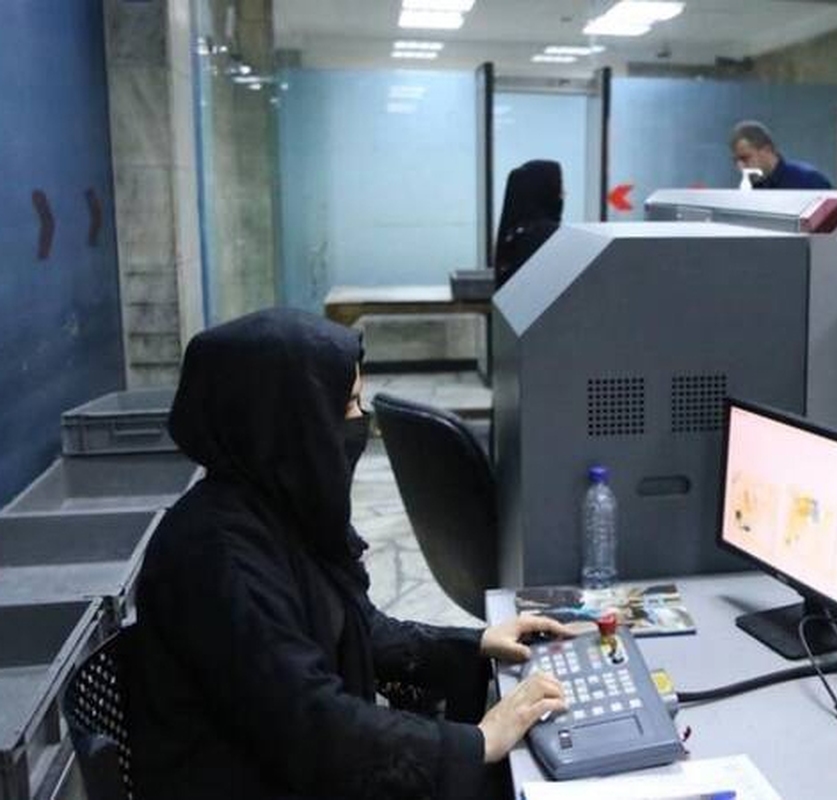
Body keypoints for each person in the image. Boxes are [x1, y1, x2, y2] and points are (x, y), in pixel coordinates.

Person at [128, 307, 570, 800]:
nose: (363, 423)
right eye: (346, 406)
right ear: (287, 422)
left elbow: (356, 627)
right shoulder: (218, 559)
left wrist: (477, 643)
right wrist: (479, 741)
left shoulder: (272, 508)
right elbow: (315, 727)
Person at [494, 159, 563, 288]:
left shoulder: (516, 233)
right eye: (559, 190)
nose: (563, 196)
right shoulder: (550, 237)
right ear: (545, 192)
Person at [729, 120, 832, 190]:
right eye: (736, 161)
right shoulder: (750, 190)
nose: (740, 167)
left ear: (767, 150)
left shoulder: (808, 181)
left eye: (745, 158)